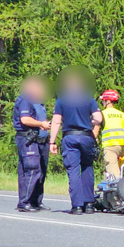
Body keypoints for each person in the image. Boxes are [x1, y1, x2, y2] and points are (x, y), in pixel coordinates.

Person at [49, 68, 103, 215]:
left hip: (70, 137)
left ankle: (77, 206)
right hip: (86, 137)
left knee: (73, 170)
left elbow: (56, 122)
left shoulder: (62, 100)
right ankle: (89, 204)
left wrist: (52, 142)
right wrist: (89, 120)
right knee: (87, 168)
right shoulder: (89, 99)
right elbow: (99, 118)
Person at [12, 76, 51, 213]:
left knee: (41, 170)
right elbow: (25, 119)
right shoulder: (25, 99)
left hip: (41, 140)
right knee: (32, 169)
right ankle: (24, 202)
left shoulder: (38, 102)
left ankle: (36, 201)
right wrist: (41, 124)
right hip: (28, 139)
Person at [92, 89, 124, 179]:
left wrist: (88, 142)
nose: (102, 103)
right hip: (121, 147)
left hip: (110, 147)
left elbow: (95, 131)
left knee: (114, 175)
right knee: (119, 170)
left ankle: (120, 190)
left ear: (108, 101)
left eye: (103, 101)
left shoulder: (102, 114)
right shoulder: (121, 114)